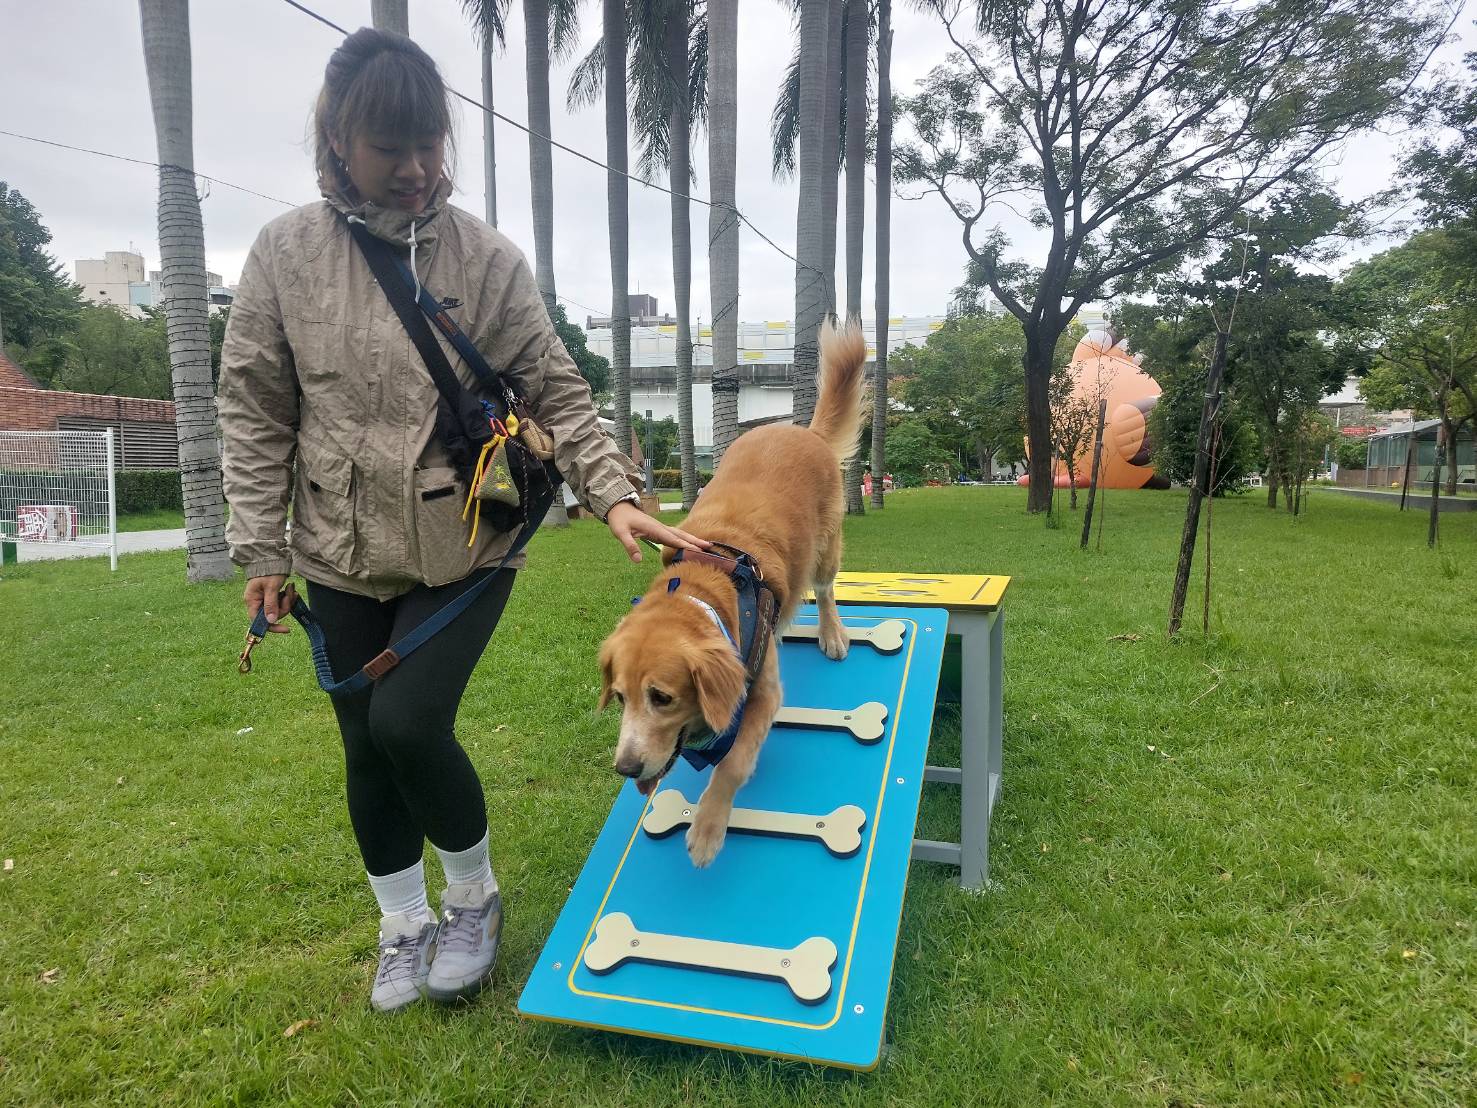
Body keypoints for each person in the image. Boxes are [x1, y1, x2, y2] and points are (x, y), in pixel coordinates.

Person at [217, 28, 705, 1013]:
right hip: (339, 549)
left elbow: (559, 389)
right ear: (337, 143)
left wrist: (611, 492)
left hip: (468, 542)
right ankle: (403, 924)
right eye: (390, 148)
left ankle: (473, 900)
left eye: (429, 144)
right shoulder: (284, 256)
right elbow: (255, 409)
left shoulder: (484, 260)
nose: (416, 168)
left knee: (406, 719)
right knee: (364, 742)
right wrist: (262, 549)